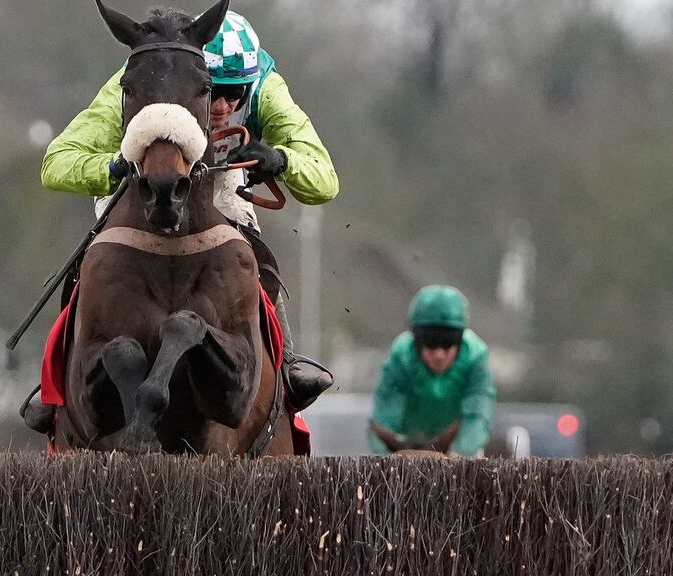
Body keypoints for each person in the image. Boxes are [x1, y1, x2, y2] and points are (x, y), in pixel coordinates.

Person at [39, 9, 338, 413]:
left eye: (238, 93)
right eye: (217, 92)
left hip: (219, 178)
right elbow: (55, 163)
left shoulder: (268, 87)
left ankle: (286, 365)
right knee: (95, 252)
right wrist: (110, 169)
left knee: (250, 241)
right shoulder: (136, 80)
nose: (225, 105)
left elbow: (325, 180)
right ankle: (62, 373)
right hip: (142, 179)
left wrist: (281, 159)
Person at [368, 285, 496, 456]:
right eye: (429, 341)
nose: (439, 353)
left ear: (460, 337)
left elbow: (478, 414)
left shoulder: (476, 355)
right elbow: (385, 410)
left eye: (448, 341)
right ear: (415, 339)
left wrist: (459, 454)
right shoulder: (401, 354)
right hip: (406, 449)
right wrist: (385, 455)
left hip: (456, 450)